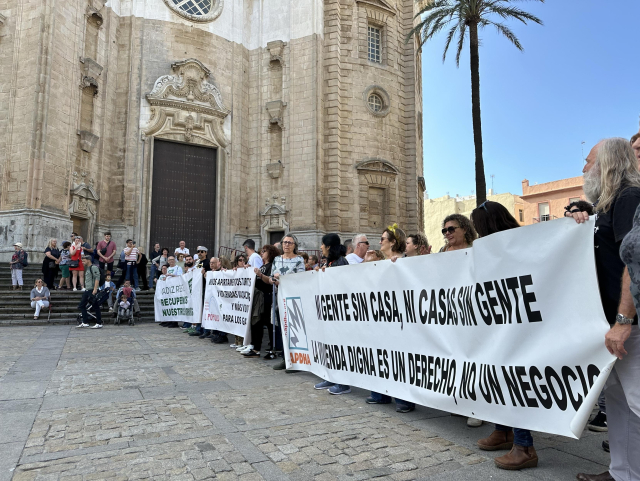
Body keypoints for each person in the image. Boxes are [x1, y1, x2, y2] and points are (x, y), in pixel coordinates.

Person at [573, 138, 640, 481]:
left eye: (588, 161)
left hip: (628, 325)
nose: (584, 168)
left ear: (608, 163)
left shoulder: (629, 196)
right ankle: (622, 472)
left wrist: (624, 319)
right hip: (612, 324)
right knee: (617, 403)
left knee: (636, 402)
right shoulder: (608, 203)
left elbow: (634, 260)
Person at [469, 201, 537, 470]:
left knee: (515, 381)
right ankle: (504, 431)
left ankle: (524, 445)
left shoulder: (518, 244)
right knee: (499, 379)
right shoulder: (488, 249)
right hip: (498, 326)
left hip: (517, 327)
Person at [364, 225, 415, 413]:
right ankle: (380, 394)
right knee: (379, 356)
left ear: (393, 241)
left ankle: (404, 399)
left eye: (383, 238)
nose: (380, 242)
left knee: (400, 358)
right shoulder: (379, 262)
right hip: (379, 318)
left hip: (400, 320)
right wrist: (367, 262)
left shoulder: (406, 262)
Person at [314, 234, 351, 394]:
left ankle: (343, 383)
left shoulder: (340, 262)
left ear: (328, 246)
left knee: (339, 346)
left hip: (339, 313)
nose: (320, 247)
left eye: (322, 244)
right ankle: (331, 376)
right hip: (329, 312)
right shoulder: (330, 262)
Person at [270, 235, 306, 370]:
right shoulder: (277, 260)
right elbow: (272, 276)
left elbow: (301, 278)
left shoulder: (299, 260)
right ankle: (286, 359)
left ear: (294, 245)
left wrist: (284, 279)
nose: (286, 245)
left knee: (295, 329)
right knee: (283, 329)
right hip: (280, 297)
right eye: (284, 242)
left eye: (290, 243)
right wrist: (274, 279)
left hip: (294, 298)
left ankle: (297, 360)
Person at [244, 245, 280, 358]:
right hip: (259, 297)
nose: (262, 253)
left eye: (264, 251)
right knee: (257, 323)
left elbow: (269, 281)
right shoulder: (263, 266)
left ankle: (273, 349)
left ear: (271, 253)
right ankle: (256, 348)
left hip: (267, 297)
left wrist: (260, 275)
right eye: (261, 251)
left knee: (269, 324)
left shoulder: (272, 266)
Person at [77, 255, 102, 329]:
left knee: (95, 306)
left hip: (91, 289)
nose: (83, 262)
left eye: (84, 260)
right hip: (87, 289)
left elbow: (97, 278)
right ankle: (85, 322)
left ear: (88, 260)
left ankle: (99, 322)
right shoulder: (88, 268)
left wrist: (95, 289)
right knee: (82, 305)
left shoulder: (93, 267)